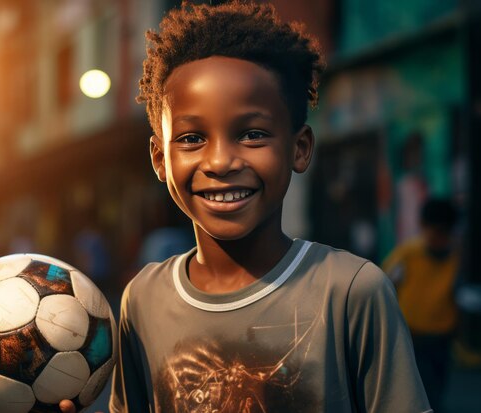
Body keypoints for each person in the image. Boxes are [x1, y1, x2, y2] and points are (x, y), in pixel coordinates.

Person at [61, 2, 430, 412]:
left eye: (253, 134)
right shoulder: (142, 300)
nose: (220, 162)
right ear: (160, 160)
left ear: (300, 148)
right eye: (190, 138)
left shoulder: (351, 292)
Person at [382, 197, 460, 412]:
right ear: (424, 227)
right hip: (410, 336)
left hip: (441, 338)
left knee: (436, 387)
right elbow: (385, 283)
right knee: (418, 391)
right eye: (435, 233)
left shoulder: (458, 257)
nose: (438, 240)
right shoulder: (408, 254)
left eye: (444, 235)